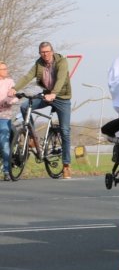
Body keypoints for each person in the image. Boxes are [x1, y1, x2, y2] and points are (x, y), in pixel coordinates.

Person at [16, 42, 72, 179]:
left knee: (65, 131)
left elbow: (60, 79)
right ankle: (33, 137)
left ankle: (66, 165)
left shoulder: (62, 62)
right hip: (46, 95)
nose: (45, 55)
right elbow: (27, 77)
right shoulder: (39, 63)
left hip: (62, 97)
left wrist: (54, 93)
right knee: (24, 106)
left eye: (47, 52)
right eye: (42, 52)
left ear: (52, 51)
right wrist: (14, 88)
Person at [0, 61, 16, 181]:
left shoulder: (10, 82)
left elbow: (14, 96)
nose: (5, 70)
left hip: (5, 117)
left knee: (5, 144)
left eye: (6, 68)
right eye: (3, 69)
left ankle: (6, 170)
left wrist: (9, 101)